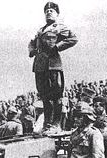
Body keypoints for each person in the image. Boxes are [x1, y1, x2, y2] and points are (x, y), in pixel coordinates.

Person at [28, 1, 78, 133]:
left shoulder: (60, 27)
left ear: (57, 14)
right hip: (40, 66)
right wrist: (32, 51)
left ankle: (56, 124)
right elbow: (32, 42)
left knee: (55, 95)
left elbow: (73, 39)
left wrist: (57, 47)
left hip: (53, 65)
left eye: (51, 11)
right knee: (44, 96)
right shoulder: (40, 30)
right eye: (46, 11)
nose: (48, 12)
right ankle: (47, 123)